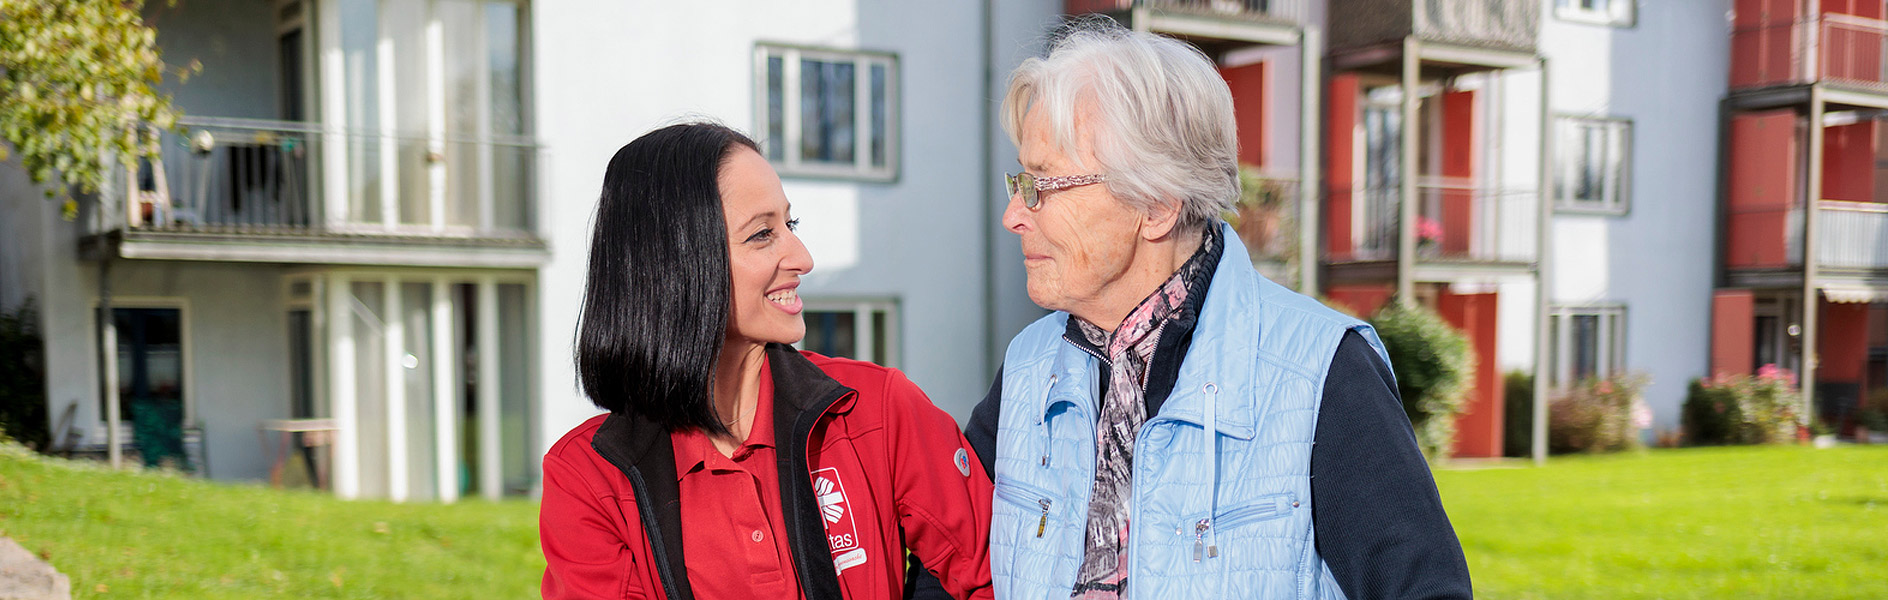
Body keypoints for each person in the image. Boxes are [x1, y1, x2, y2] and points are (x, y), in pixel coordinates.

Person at [965, 21, 1471, 600]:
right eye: (1018, 180)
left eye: (1043, 184)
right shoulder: (1029, 368)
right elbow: (945, 567)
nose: (1014, 214)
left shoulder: (1322, 373)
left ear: (1154, 206)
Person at [540, 122, 995, 600]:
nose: (802, 257)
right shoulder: (587, 480)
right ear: (676, 263)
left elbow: (1000, 577)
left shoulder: (878, 410)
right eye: (762, 234)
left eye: (789, 225)